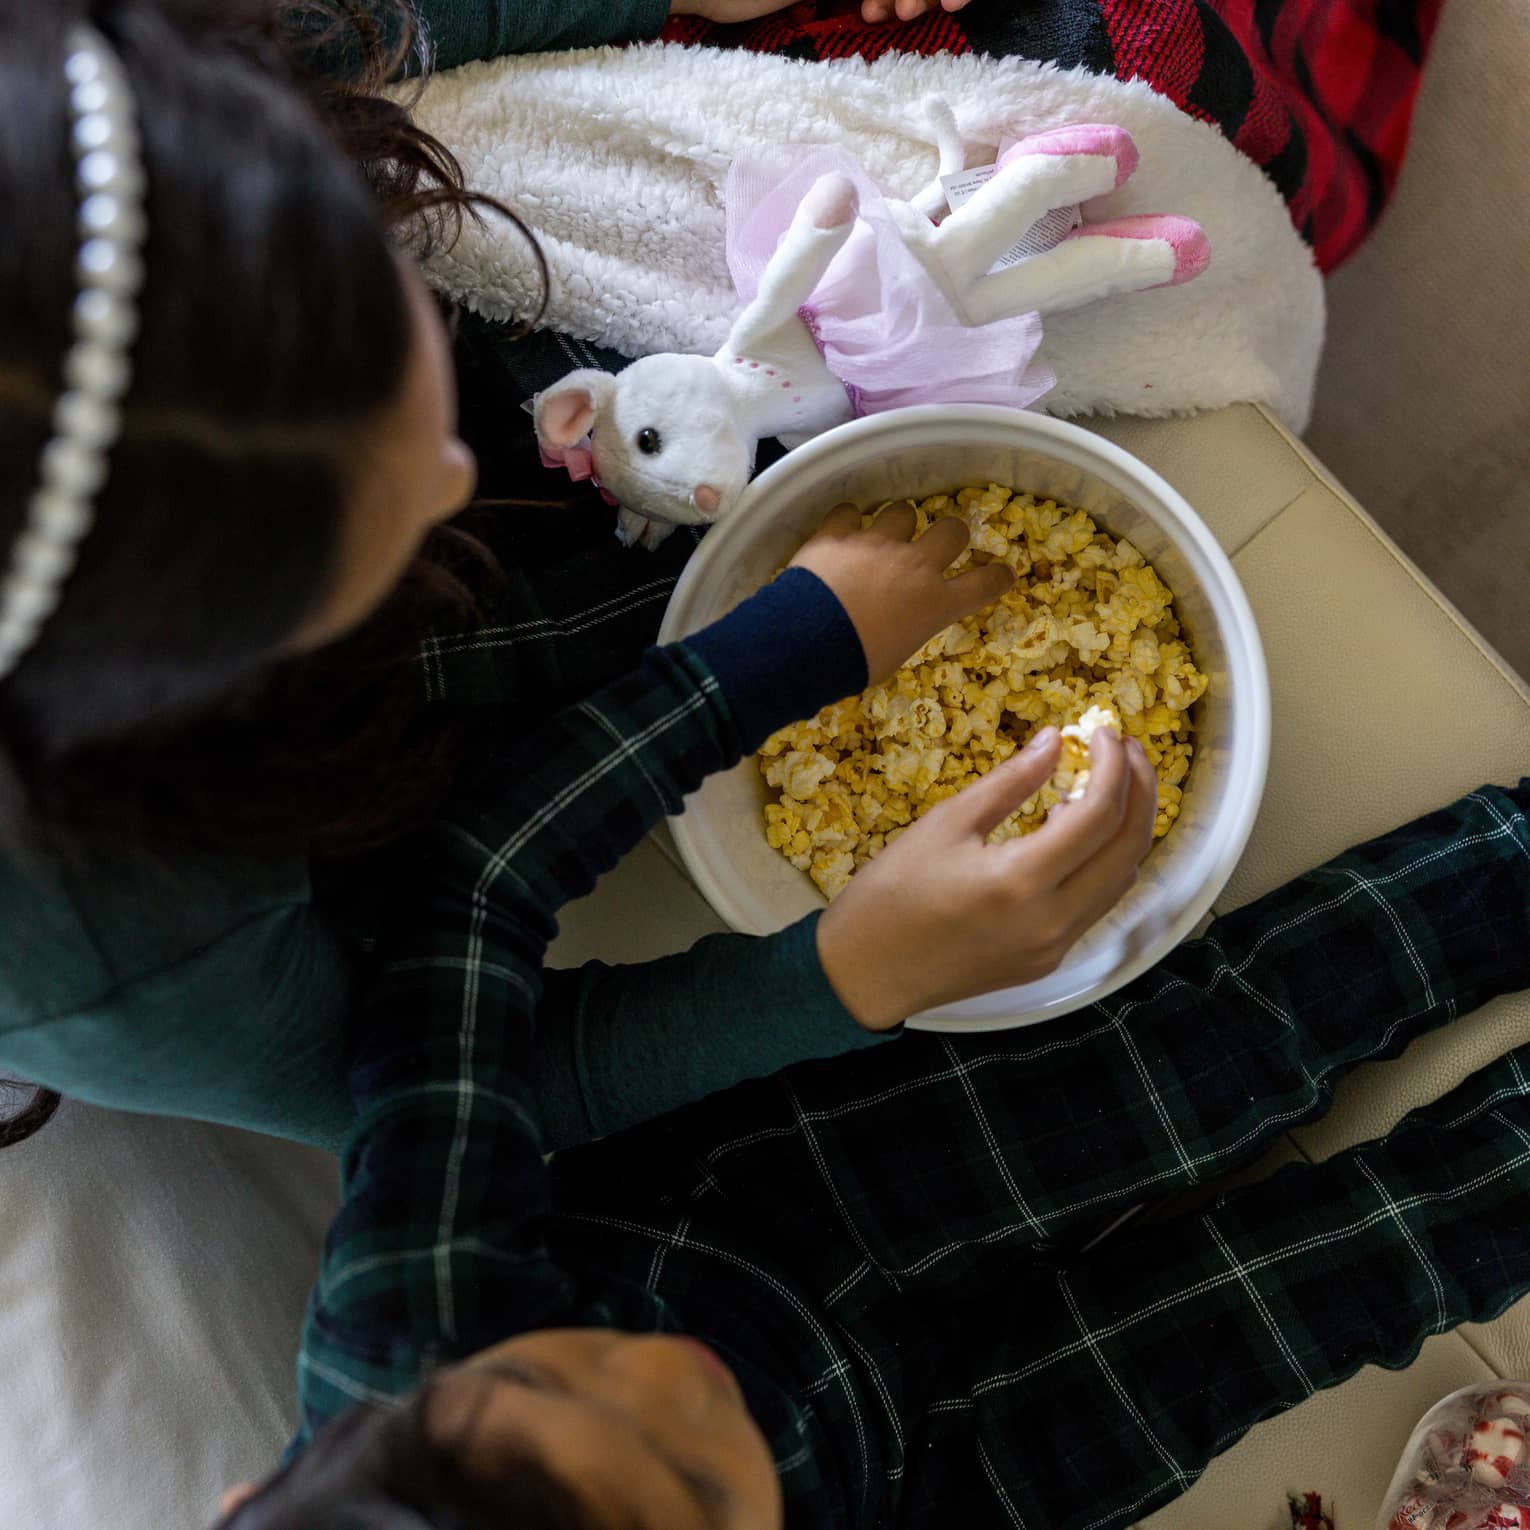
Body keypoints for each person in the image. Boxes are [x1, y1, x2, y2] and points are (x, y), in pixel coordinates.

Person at [204, 486, 1530, 1529]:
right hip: (926, 1490)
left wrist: (779, 654)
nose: (675, 1387)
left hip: (768, 1204)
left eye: (558, 1370)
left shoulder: (403, 1340)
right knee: (1327, 1286)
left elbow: (472, 897)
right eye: (694, 1492)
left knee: (1216, 1048)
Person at [0, 0, 964, 1155]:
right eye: (351, 532)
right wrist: (842, 974)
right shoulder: (97, 952)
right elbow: (412, 1091)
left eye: (374, 308)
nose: (448, 472)